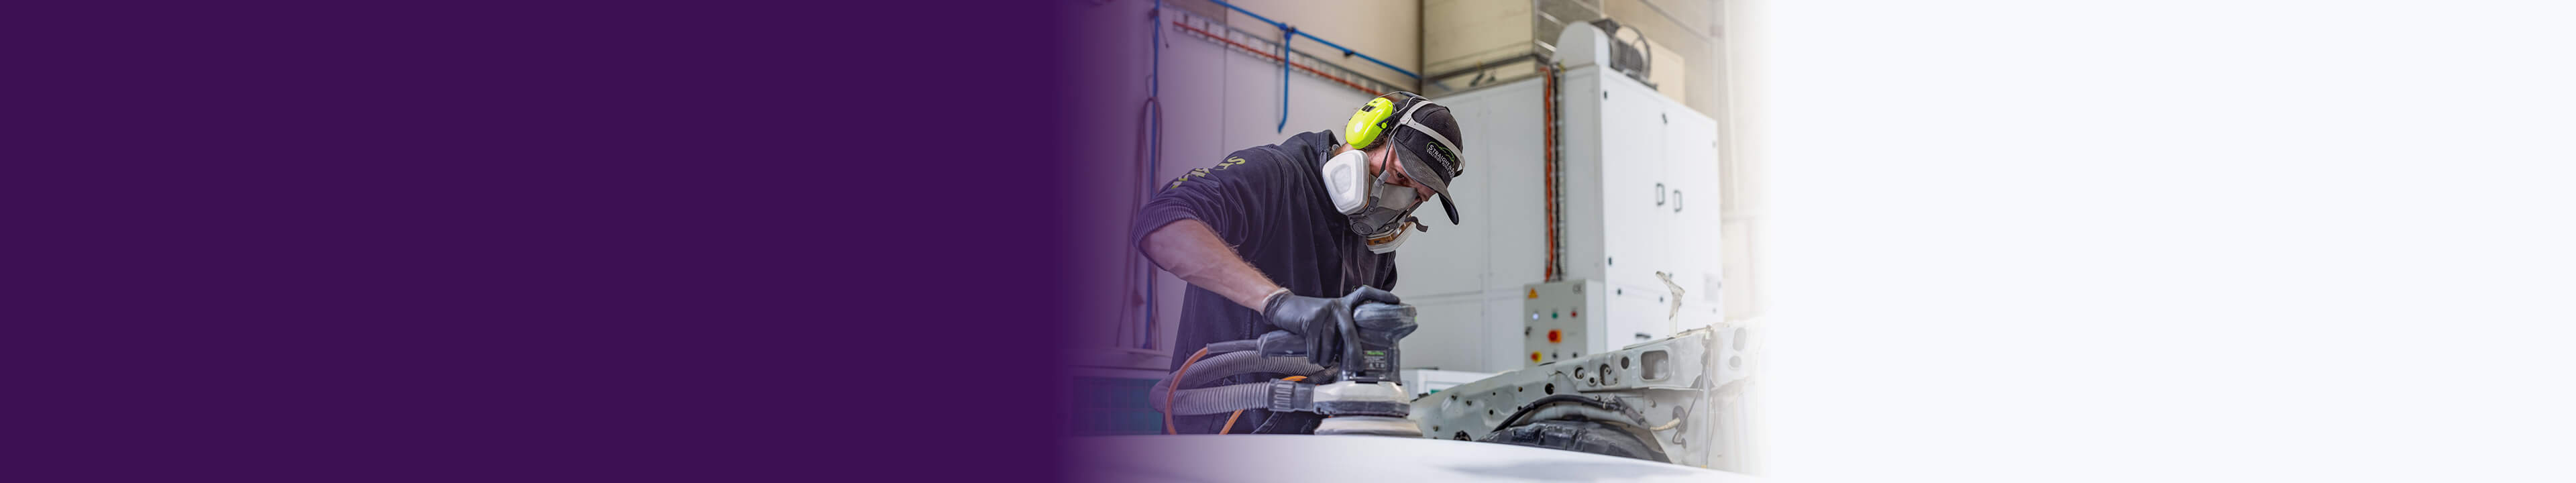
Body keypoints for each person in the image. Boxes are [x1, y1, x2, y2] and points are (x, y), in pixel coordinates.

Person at [1131, 92, 1467, 434]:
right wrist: (1276, 303)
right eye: (1399, 176)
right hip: (1217, 445)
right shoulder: (1275, 175)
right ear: (1366, 131)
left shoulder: (1375, 247)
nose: (1401, 199)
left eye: (1417, 196)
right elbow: (1162, 222)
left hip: (1306, 452)